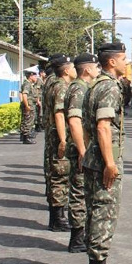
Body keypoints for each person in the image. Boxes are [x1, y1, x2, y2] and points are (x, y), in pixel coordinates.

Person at [82, 42, 129, 264]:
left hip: (93, 157)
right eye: (123, 58)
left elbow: (87, 127)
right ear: (112, 62)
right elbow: (102, 127)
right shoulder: (109, 87)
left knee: (94, 211)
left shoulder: (94, 85)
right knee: (104, 213)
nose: (126, 63)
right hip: (103, 161)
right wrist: (110, 163)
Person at [64, 53, 100, 253]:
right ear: (87, 69)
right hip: (80, 149)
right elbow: (74, 121)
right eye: (95, 66)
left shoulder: (82, 87)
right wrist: (82, 150)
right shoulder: (79, 89)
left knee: (83, 192)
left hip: (82, 147)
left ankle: (82, 235)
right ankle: (77, 239)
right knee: (79, 192)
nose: (97, 70)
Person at [43, 55, 77, 233]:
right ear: (65, 70)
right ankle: (58, 218)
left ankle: (56, 216)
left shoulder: (54, 84)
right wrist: (64, 140)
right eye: (72, 67)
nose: (75, 70)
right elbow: (59, 114)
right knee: (60, 175)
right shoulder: (61, 87)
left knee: (55, 173)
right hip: (59, 135)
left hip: (53, 134)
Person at [19, 71, 38, 144]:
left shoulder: (27, 83)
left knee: (26, 120)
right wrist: (27, 106)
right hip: (29, 106)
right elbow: (24, 95)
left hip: (30, 105)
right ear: (31, 76)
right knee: (28, 121)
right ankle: (26, 138)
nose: (36, 78)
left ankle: (24, 136)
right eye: (35, 76)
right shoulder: (27, 84)